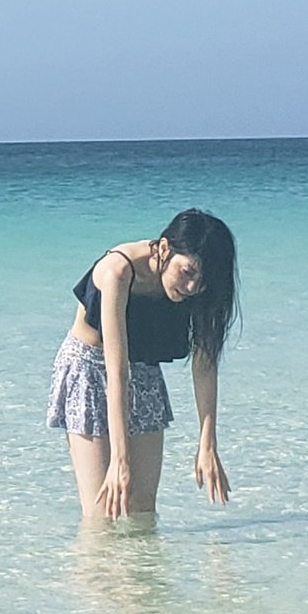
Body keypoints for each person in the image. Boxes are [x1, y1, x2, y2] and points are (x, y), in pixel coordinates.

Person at [47, 209, 238, 522]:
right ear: (164, 249)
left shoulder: (200, 288)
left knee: (142, 512)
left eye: (201, 281)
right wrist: (119, 460)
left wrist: (208, 444)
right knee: (102, 514)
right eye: (187, 273)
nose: (192, 287)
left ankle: (140, 573)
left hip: (145, 371)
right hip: (92, 370)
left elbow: (204, 365)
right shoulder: (119, 272)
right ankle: (92, 572)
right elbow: (117, 373)